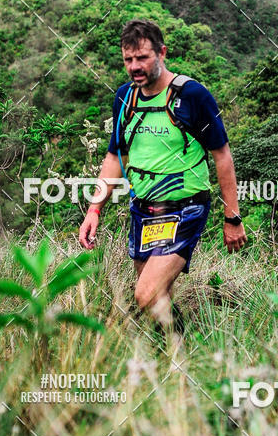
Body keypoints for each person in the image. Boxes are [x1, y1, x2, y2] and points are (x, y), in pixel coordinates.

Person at [78, 19, 246, 332]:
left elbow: (222, 156)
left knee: (145, 293)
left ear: (162, 52)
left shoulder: (192, 96)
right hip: (144, 209)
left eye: (142, 58)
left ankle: (185, 349)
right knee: (159, 298)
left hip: (186, 207)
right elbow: (115, 155)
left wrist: (232, 217)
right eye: (128, 60)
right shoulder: (125, 99)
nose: (134, 67)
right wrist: (94, 209)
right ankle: (175, 363)